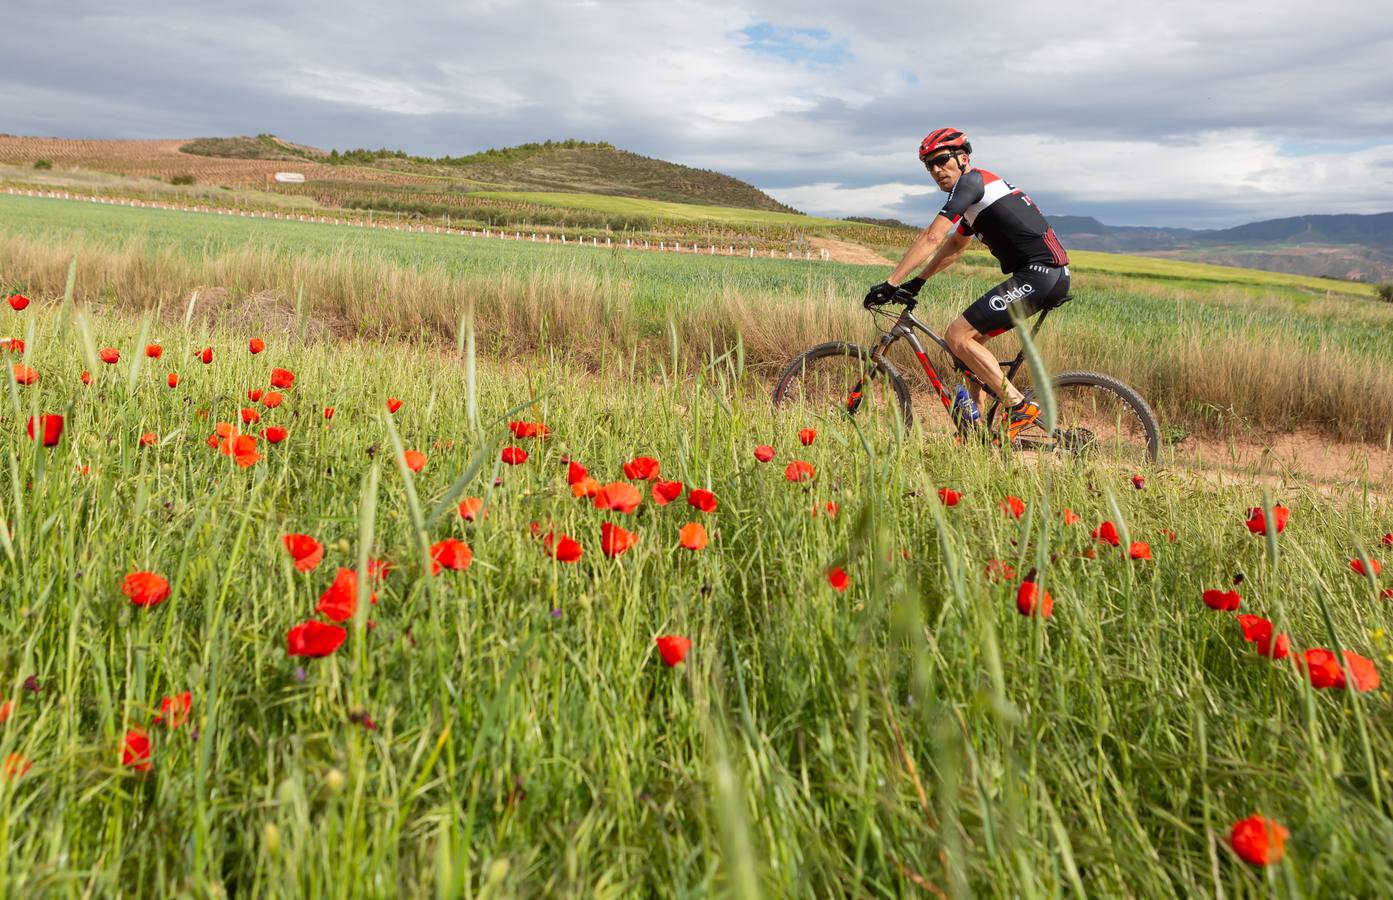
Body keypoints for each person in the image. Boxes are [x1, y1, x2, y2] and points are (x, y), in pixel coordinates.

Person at [863, 128, 1070, 441]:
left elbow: (933, 237)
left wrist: (891, 283)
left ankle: (1018, 407)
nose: (936, 169)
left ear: (963, 158)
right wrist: (917, 282)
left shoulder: (971, 183)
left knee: (956, 335)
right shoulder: (978, 198)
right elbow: (954, 248)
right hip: (1045, 277)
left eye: (942, 160)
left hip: (1040, 274)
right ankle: (974, 433)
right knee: (968, 349)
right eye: (929, 165)